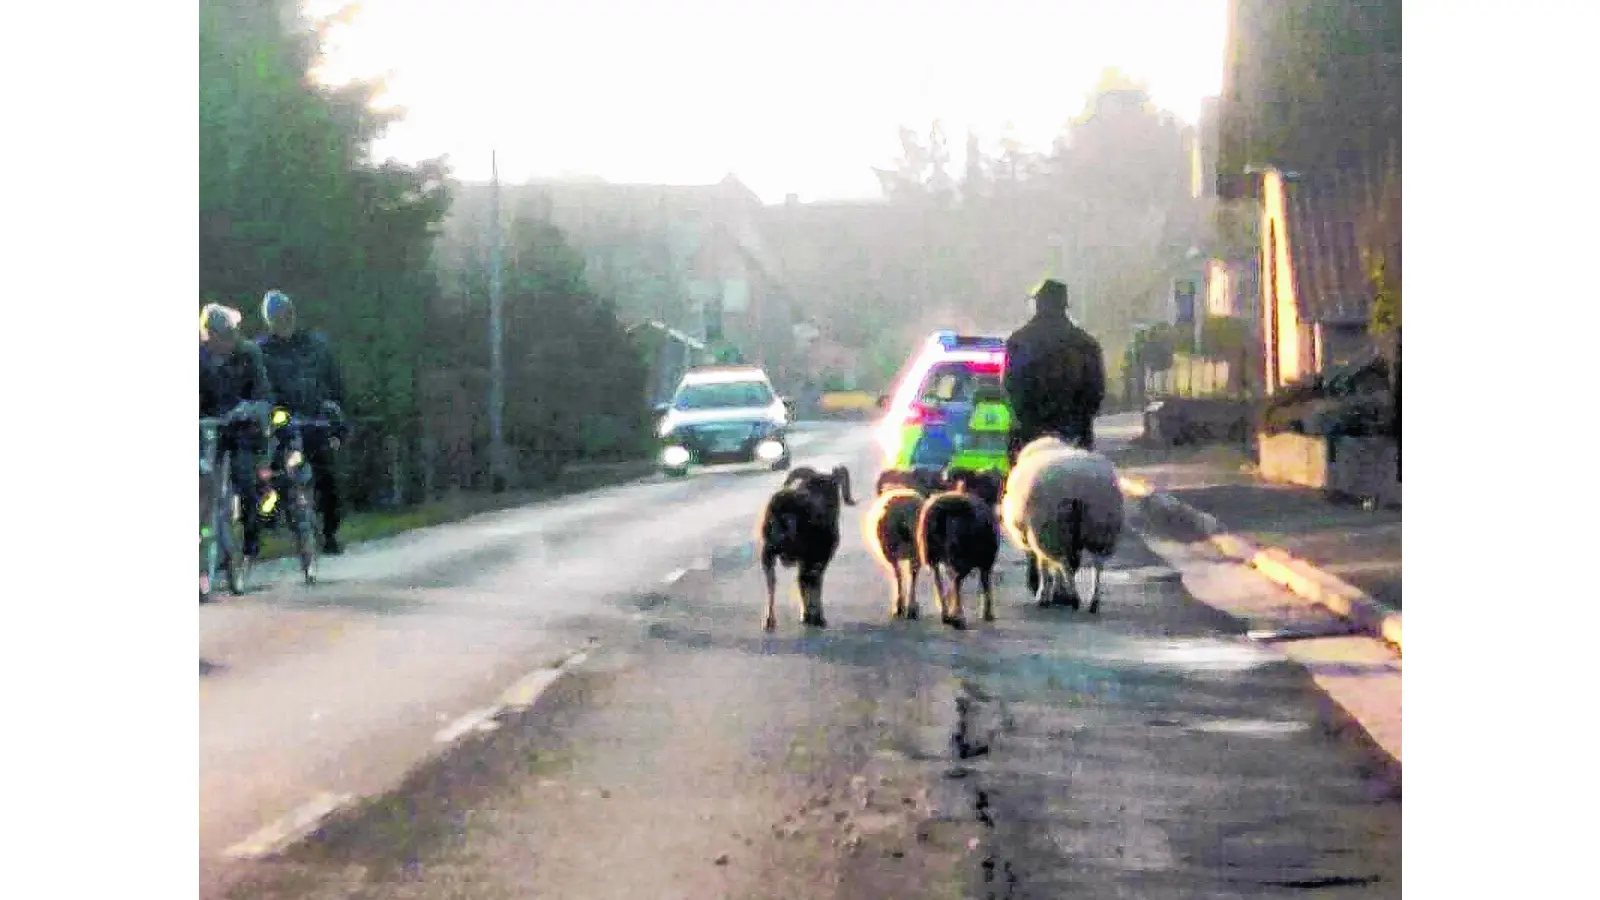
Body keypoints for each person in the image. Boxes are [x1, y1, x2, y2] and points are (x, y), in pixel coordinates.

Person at [256, 290, 349, 554]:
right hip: (281, 424)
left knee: (326, 474)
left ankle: (329, 532)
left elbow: (335, 387)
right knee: (269, 471)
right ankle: (268, 518)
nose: (283, 322)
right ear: (269, 321)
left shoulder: (315, 346)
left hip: (315, 420)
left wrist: (337, 421)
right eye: (277, 318)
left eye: (286, 316)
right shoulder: (260, 351)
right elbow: (258, 389)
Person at [199, 303, 273, 567]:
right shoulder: (198, 359)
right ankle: (208, 546)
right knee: (203, 483)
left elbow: (263, 394)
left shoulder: (249, 354)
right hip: (210, 430)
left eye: (226, 336)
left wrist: (250, 409)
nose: (221, 343)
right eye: (215, 336)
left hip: (243, 430)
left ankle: (250, 543)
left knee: (245, 479)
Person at [1002, 279, 1106, 461]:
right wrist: (1080, 417)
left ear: (1037, 304)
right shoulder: (1085, 343)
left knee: (1027, 486)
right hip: (1074, 433)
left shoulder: (1019, 341)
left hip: (1030, 436)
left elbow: (1011, 387)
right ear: (1064, 305)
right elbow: (1096, 391)